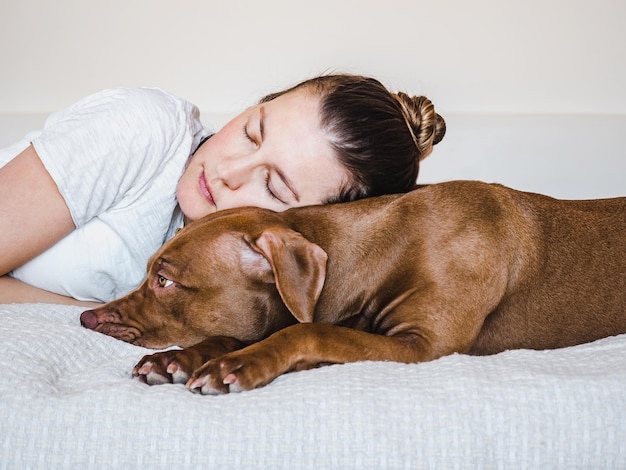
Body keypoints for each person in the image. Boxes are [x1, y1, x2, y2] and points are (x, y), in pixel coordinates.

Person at [0, 74, 446, 307]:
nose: (230, 170)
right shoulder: (143, 127)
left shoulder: (255, 274)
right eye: (252, 132)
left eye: (272, 185)